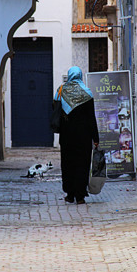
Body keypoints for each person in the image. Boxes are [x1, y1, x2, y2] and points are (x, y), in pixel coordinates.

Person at [54, 66, 99, 204]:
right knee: (82, 164)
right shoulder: (87, 93)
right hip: (84, 137)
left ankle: (70, 194)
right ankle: (80, 195)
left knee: (68, 164)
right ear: (79, 76)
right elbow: (91, 118)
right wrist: (95, 138)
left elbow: (55, 111)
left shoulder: (60, 91)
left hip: (66, 137)